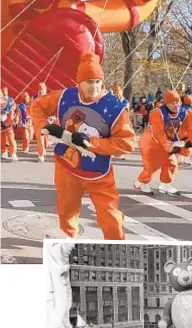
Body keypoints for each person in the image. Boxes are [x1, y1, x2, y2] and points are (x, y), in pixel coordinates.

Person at [31, 53, 136, 239]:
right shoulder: (65, 96)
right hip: (67, 165)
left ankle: (116, 246)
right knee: (66, 209)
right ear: (79, 82)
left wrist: (91, 143)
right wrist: (44, 127)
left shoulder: (115, 107)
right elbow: (37, 106)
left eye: (97, 81)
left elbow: (127, 144)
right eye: (89, 82)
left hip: (98, 172)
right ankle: (69, 237)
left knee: (110, 214)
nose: (94, 86)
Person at [134, 90, 189, 196]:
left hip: (167, 141)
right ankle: (140, 183)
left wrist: (186, 143)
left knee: (171, 164)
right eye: (171, 103)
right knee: (152, 166)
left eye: (177, 102)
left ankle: (165, 184)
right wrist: (169, 146)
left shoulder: (183, 113)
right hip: (150, 142)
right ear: (166, 103)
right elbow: (158, 132)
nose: (175, 105)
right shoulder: (157, 112)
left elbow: (185, 129)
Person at [1, 89, 18, 161]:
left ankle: (13, 153)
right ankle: (4, 152)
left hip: (8, 124)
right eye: (3, 95)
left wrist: (11, 110)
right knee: (2, 139)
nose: (5, 96)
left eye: (6, 94)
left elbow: (14, 109)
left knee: (11, 138)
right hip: (1, 125)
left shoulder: (10, 101)